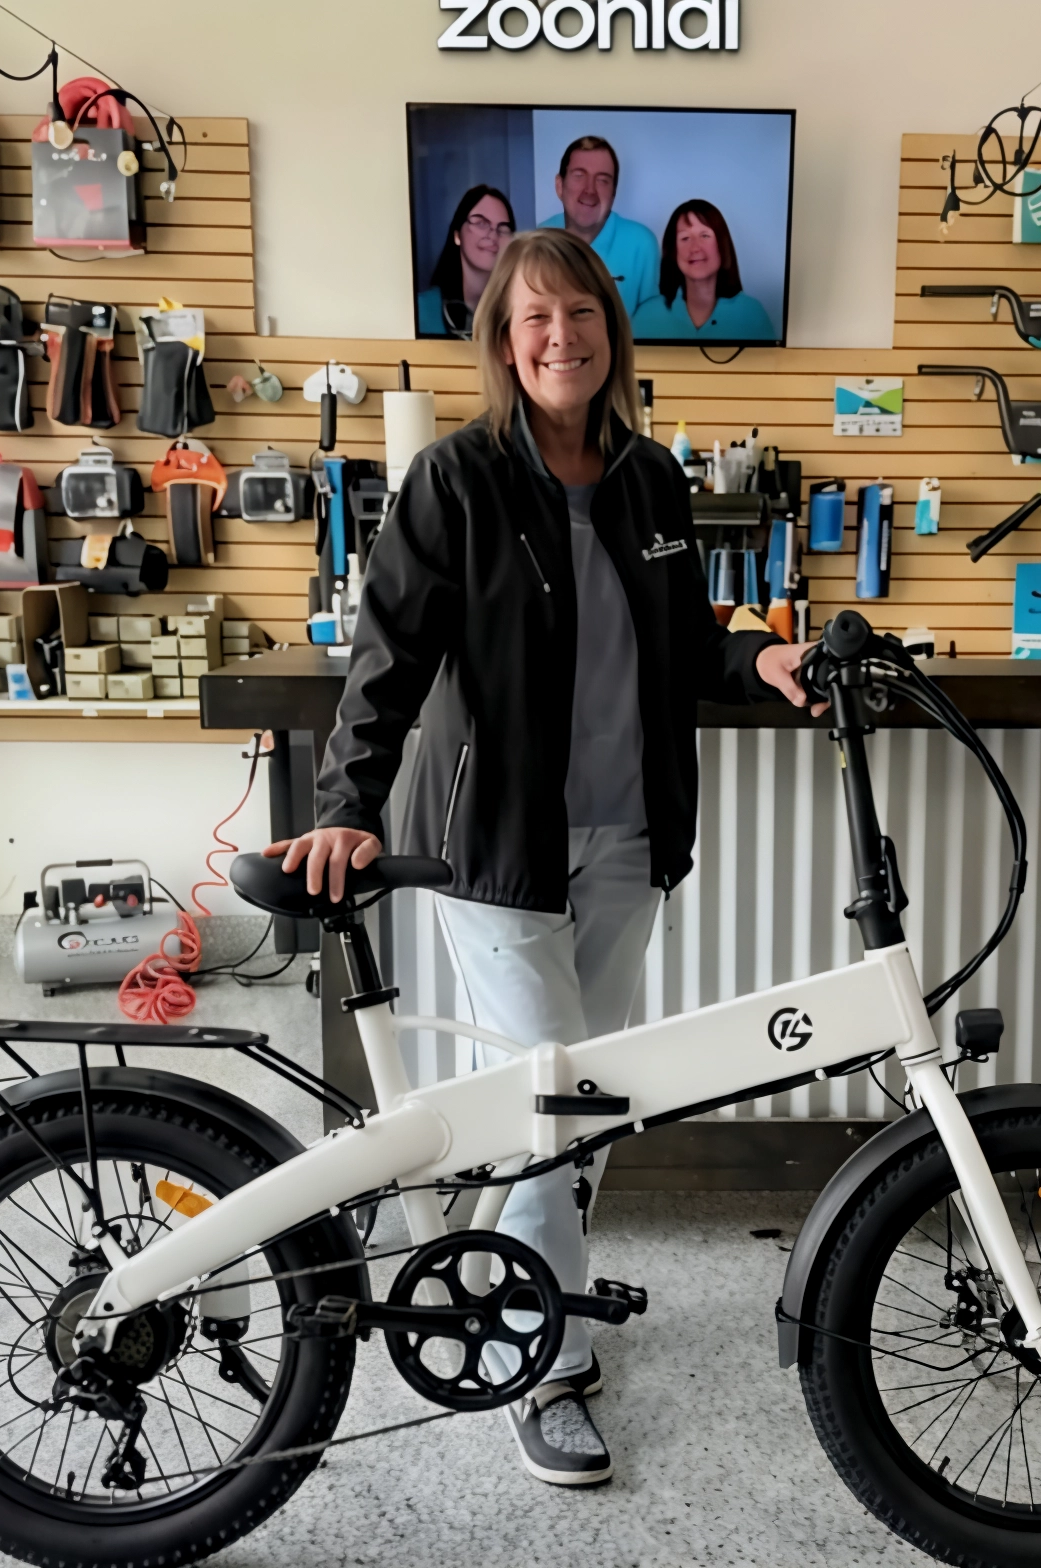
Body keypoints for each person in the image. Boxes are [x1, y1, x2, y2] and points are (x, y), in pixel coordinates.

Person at [265, 228, 821, 1488]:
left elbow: (685, 644)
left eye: (579, 314)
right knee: (558, 1102)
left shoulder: (650, 479)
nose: (559, 337)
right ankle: (542, 1357)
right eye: (533, 318)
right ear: (503, 342)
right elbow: (386, 659)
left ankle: (522, 1286)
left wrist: (761, 658)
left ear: (610, 331)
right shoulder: (454, 480)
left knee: (582, 1101)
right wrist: (348, 802)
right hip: (498, 846)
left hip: (628, 835)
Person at [536, 135, 659, 318]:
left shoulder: (642, 244)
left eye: (602, 180)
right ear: (560, 186)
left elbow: (653, 326)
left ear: (613, 192)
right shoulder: (539, 239)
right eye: (579, 176)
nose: (590, 190)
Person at [629, 199, 778, 343]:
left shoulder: (751, 314)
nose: (695, 248)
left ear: (722, 245)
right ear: (673, 250)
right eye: (685, 238)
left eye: (705, 236)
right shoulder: (646, 316)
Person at [416, 184, 517, 338]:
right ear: (457, 235)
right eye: (481, 223)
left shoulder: (520, 309)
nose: (493, 235)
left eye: (503, 228)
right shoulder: (422, 311)